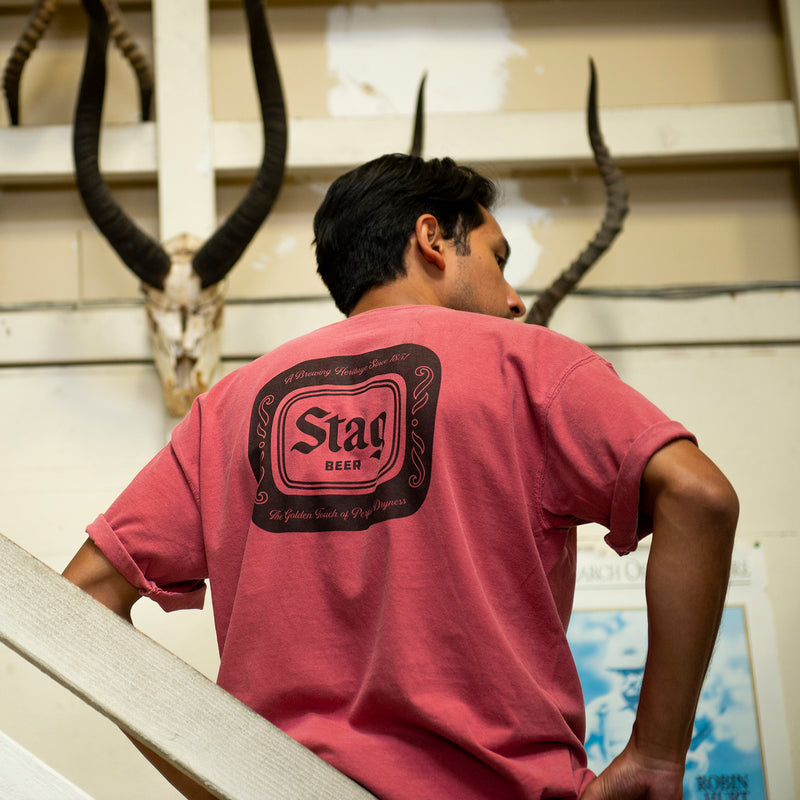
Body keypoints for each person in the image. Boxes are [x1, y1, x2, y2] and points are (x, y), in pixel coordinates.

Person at [63, 153, 738, 800]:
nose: (514, 301)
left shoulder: (231, 409)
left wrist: (221, 781)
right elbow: (700, 496)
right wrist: (654, 755)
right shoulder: (530, 365)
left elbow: (81, 598)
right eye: (499, 259)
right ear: (433, 241)